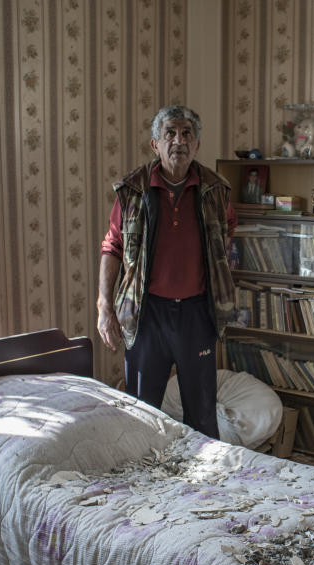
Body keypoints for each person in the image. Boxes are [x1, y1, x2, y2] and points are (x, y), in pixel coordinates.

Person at [97, 105, 237, 439]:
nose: (179, 141)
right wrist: (104, 306)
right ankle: (142, 483)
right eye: (170, 133)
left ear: (197, 144)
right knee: (142, 412)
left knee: (202, 414)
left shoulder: (216, 190)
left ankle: (203, 483)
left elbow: (227, 236)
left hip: (197, 314)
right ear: (155, 144)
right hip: (147, 315)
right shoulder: (133, 190)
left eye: (187, 133)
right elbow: (112, 246)